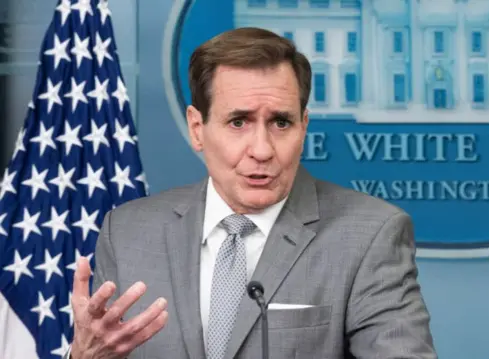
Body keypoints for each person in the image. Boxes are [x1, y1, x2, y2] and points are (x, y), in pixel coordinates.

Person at [68, 27, 438, 359]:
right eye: (238, 122)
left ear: (303, 126)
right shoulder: (128, 231)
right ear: (198, 128)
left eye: (281, 122)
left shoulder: (370, 235)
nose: (262, 149)